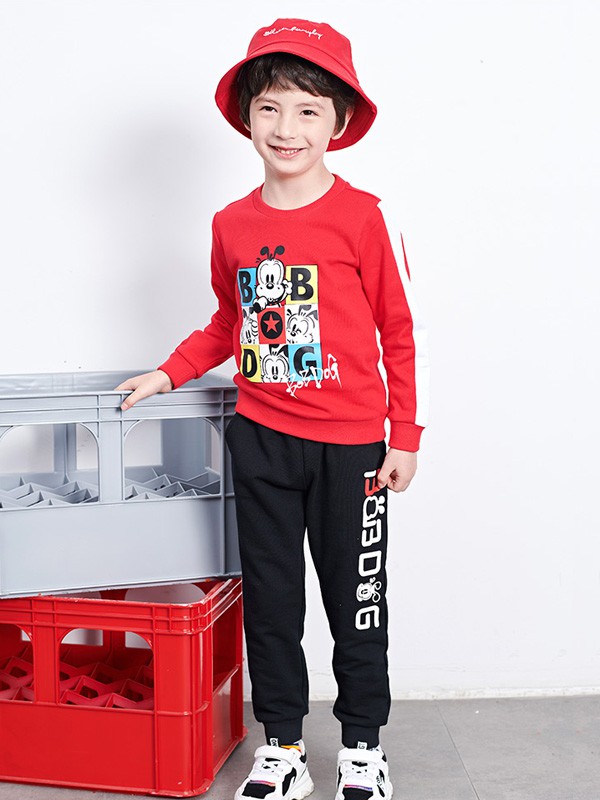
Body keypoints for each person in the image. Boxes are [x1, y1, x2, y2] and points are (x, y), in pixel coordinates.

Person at [116, 18, 428, 800]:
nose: (287, 128)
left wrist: (405, 436)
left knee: (356, 603)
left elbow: (400, 331)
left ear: (339, 122)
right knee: (272, 603)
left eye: (308, 110)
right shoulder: (231, 224)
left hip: (353, 452)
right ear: (248, 117)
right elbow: (231, 320)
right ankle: (282, 746)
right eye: (271, 108)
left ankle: (362, 746)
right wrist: (169, 372)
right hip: (260, 439)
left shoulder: (365, 216)